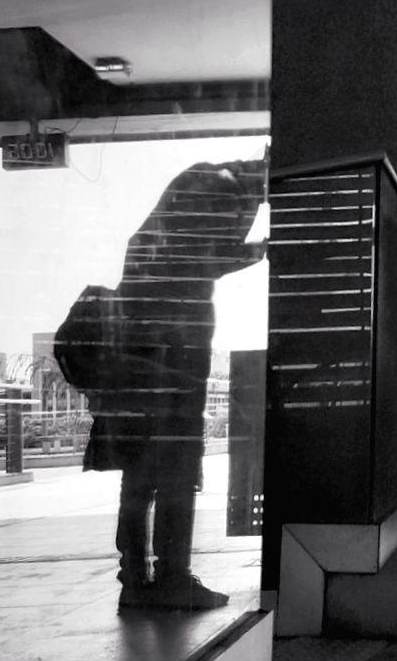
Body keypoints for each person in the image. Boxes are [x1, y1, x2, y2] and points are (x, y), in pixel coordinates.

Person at [85, 155, 268, 611]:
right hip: (170, 349)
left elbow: (185, 253)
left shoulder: (203, 181)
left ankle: (136, 581)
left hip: (145, 347)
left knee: (140, 472)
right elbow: (202, 257)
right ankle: (171, 578)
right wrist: (263, 249)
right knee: (177, 468)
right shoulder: (220, 185)